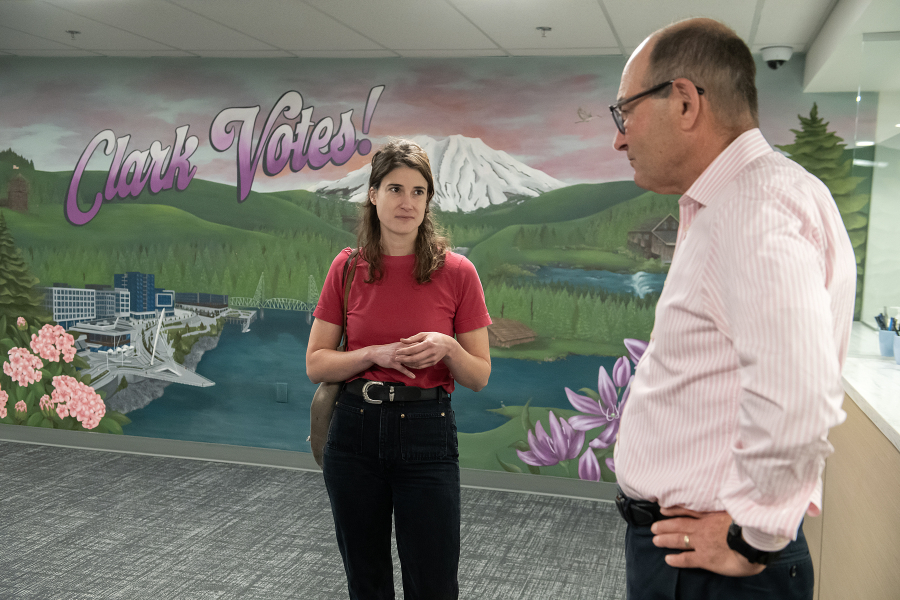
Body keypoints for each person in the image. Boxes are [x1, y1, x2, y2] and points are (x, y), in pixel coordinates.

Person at [608, 18, 856, 600]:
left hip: (713, 570)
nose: (620, 138)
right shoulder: (746, 200)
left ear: (686, 101)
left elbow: (798, 393)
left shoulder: (753, 209)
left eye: (626, 113)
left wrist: (753, 537)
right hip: (692, 551)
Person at [305, 139, 492, 600]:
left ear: (429, 200)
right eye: (394, 189)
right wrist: (374, 355)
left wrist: (447, 346)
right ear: (373, 194)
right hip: (353, 432)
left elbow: (478, 376)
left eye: (418, 191)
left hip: (427, 434)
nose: (406, 202)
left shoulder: (458, 272)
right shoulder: (346, 269)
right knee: (365, 580)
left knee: (433, 581)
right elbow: (316, 363)